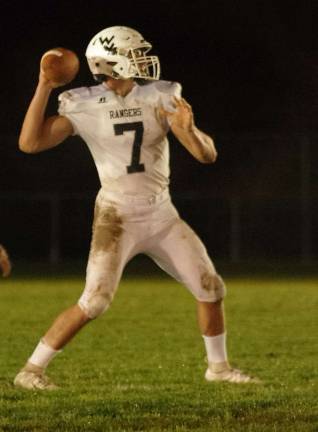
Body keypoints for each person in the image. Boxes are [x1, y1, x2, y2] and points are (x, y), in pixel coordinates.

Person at [14, 26, 258, 390]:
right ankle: (30, 371)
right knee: (95, 301)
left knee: (211, 287)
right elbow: (30, 144)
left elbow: (207, 155)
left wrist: (187, 130)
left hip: (161, 213)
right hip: (117, 216)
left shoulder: (162, 95)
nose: (143, 60)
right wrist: (44, 86)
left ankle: (218, 369)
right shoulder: (83, 103)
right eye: (135, 54)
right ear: (110, 64)